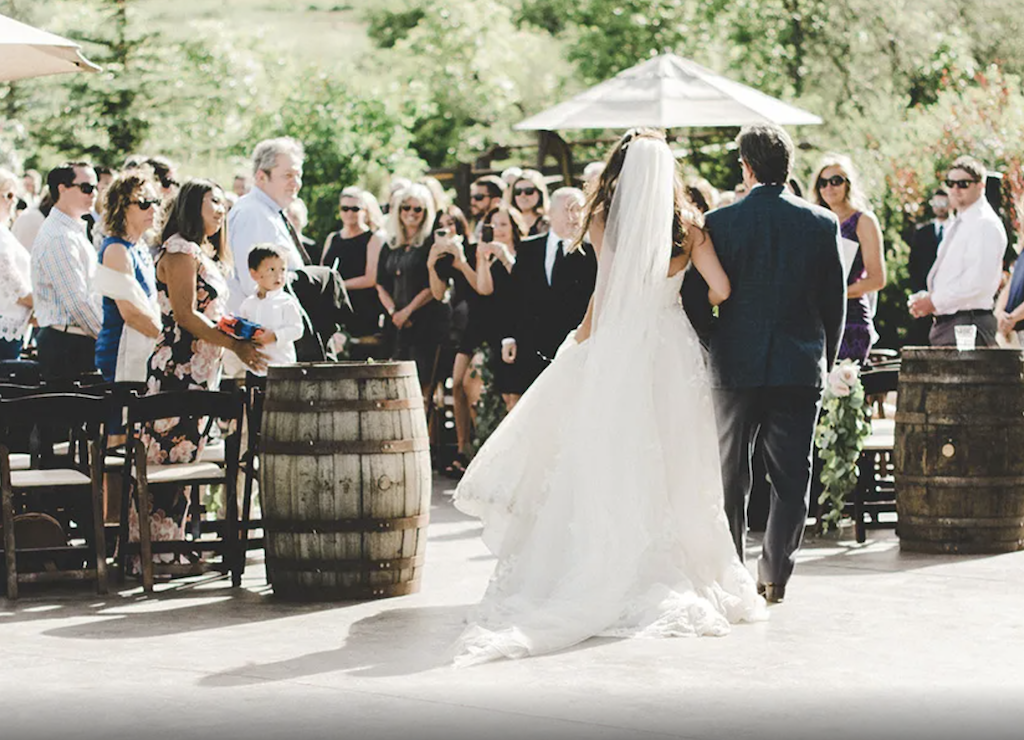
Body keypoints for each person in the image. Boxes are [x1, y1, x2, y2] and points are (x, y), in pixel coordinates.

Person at [452, 129, 767, 666]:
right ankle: (691, 566)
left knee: (609, 455)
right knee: (679, 459)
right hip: (671, 349)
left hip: (621, 346)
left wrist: (580, 340)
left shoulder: (603, 220)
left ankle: (604, 561)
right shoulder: (691, 225)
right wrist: (686, 294)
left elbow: (604, 291)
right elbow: (722, 290)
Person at [686, 123, 846, 605]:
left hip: (733, 364)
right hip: (798, 367)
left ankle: (733, 570)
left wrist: (711, 340)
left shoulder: (719, 222)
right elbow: (833, 303)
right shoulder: (821, 223)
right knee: (793, 477)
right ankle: (775, 572)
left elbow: (696, 296)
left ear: (747, 167)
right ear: (789, 166)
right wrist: (827, 358)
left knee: (729, 475)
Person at [500, 187, 597, 399]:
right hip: (531, 345)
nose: (575, 216)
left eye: (579, 209)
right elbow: (513, 297)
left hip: (573, 346)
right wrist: (509, 337)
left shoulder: (592, 253)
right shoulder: (528, 248)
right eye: (568, 210)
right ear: (550, 213)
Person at [909, 156, 1006, 347]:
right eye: (950, 183)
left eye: (963, 184)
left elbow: (977, 282)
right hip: (951, 322)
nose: (955, 189)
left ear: (981, 186)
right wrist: (928, 299)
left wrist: (933, 301)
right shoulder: (962, 221)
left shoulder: (984, 224)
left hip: (969, 323)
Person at [809, 154, 886, 362]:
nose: (829, 188)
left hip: (851, 321)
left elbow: (877, 279)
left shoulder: (864, 220)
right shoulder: (814, 221)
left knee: (845, 389)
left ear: (848, 184)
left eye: (836, 181)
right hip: (817, 320)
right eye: (823, 183)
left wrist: (837, 294)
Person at [31, 161, 103, 380]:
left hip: (75, 341)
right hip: (67, 345)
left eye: (96, 188)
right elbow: (77, 302)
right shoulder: (59, 236)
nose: (94, 194)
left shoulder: (71, 230)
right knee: (70, 414)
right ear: (62, 189)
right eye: (86, 187)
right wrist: (108, 339)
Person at [377, 183, 449, 396]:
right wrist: (394, 313)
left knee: (423, 390)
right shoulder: (390, 244)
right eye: (406, 208)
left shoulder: (430, 244)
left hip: (425, 321)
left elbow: (433, 285)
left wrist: (407, 312)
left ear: (426, 213)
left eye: (418, 209)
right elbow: (380, 282)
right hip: (395, 323)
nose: (411, 213)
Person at [94, 172, 161, 383]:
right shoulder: (116, 250)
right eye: (143, 203)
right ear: (121, 207)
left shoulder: (140, 247)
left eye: (155, 202)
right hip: (120, 354)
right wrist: (165, 339)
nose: (153, 209)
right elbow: (131, 312)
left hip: (143, 348)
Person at [320, 187, 385, 340]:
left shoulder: (372, 238)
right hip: (334, 307)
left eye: (355, 209)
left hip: (362, 307)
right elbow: (322, 270)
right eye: (345, 208)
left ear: (364, 211)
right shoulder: (332, 238)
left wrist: (339, 284)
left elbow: (371, 278)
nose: (349, 213)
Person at [238, 245, 304, 374]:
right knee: (253, 393)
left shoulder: (286, 302)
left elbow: (297, 329)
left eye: (283, 269)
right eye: (272, 270)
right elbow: (242, 329)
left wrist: (275, 336)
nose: (278, 275)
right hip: (254, 367)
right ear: (254, 274)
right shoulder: (248, 303)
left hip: (281, 367)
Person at [906, 188, 951, 346]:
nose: (940, 207)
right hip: (925, 295)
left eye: (944, 202)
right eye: (937, 203)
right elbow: (914, 266)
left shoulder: (957, 231)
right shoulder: (922, 232)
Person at [0, 168, 32, 360]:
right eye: (8, 195)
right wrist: (46, 307)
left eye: (15, 195)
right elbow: (13, 285)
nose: (13, 201)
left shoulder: (5, 231)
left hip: (14, 327)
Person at [507, 170, 550, 236]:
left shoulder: (548, 224)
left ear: (540, 193)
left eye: (528, 191)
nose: (522, 195)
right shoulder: (507, 222)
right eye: (518, 192)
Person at [468, 175, 505, 240]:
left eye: (478, 197)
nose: (472, 202)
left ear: (496, 200)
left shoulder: (501, 227)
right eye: (472, 197)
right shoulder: (477, 223)